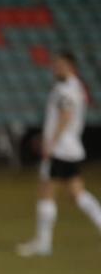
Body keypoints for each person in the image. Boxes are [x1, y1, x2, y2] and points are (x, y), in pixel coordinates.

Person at [17, 50, 101, 256]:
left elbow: (65, 115)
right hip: (70, 147)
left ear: (70, 66)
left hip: (61, 148)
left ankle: (43, 243)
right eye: (54, 64)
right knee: (76, 194)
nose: (54, 68)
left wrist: (51, 143)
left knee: (47, 191)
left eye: (59, 64)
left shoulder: (66, 89)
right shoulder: (74, 86)